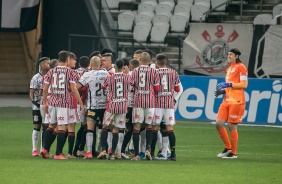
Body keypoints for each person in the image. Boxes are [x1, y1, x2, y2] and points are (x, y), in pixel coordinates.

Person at [41, 50, 84, 160]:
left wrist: (45, 102)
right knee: (62, 128)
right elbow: (74, 89)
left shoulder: (51, 71)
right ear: (68, 59)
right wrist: (80, 102)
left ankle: (44, 149)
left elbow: (45, 89)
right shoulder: (70, 72)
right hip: (64, 103)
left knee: (51, 125)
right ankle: (58, 154)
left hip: (52, 102)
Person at [214, 48, 248, 159]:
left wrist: (228, 85)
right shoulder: (230, 68)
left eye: (231, 54)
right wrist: (223, 91)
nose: (229, 56)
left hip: (237, 101)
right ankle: (228, 147)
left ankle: (233, 153)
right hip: (227, 100)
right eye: (228, 54)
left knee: (231, 126)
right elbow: (230, 86)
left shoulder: (241, 67)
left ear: (236, 56)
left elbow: (244, 84)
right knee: (218, 124)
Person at [97, 59, 131, 160]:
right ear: (124, 67)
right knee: (116, 129)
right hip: (122, 106)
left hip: (111, 106)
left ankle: (103, 150)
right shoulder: (127, 77)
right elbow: (132, 86)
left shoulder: (110, 77)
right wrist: (127, 72)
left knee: (105, 127)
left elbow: (103, 86)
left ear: (114, 66)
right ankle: (112, 154)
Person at [77, 56, 109, 159]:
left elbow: (77, 87)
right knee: (105, 129)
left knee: (90, 128)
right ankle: (105, 150)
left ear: (90, 64)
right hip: (105, 106)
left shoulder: (87, 74)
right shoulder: (107, 74)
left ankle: (89, 152)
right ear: (100, 64)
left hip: (93, 106)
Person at [130, 52, 160, 161]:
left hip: (138, 101)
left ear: (140, 60)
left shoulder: (135, 71)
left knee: (137, 127)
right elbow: (157, 88)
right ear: (149, 61)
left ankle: (136, 154)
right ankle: (148, 150)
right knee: (149, 126)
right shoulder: (154, 71)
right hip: (150, 101)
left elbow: (132, 84)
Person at [151, 54, 181, 161]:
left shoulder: (155, 72)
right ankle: (173, 155)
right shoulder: (173, 72)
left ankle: (151, 153)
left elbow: (155, 88)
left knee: (155, 128)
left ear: (157, 63)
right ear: (166, 62)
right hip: (169, 104)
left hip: (158, 103)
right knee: (170, 129)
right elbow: (178, 89)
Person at [30, 57, 50, 156]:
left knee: (45, 126)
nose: (49, 65)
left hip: (46, 105)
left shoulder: (50, 76)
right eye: (47, 63)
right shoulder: (36, 78)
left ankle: (43, 148)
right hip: (37, 105)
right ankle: (34, 149)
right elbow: (31, 92)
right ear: (42, 65)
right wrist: (34, 102)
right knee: (36, 126)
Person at [73, 56, 90, 157]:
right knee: (86, 127)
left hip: (75, 102)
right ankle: (78, 149)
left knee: (80, 126)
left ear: (79, 64)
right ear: (89, 64)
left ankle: (76, 150)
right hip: (84, 102)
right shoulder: (88, 73)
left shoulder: (74, 72)